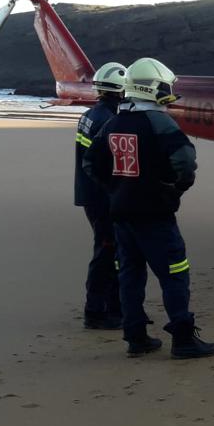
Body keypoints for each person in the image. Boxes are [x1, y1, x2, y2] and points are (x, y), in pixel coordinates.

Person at [83, 57, 214, 359]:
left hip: (122, 216)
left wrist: (115, 190)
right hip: (155, 216)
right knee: (175, 275)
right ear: (154, 88)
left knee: (130, 276)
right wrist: (173, 189)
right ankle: (183, 339)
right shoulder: (160, 122)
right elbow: (185, 163)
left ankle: (136, 337)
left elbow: (91, 163)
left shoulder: (113, 122)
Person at [74, 61, 128, 330]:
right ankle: (95, 312)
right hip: (103, 199)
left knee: (112, 252)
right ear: (120, 91)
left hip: (92, 196)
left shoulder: (91, 115)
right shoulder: (109, 120)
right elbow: (108, 165)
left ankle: (116, 308)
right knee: (106, 253)